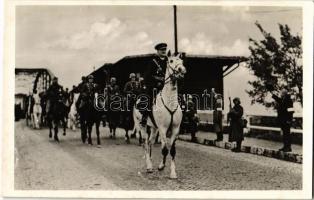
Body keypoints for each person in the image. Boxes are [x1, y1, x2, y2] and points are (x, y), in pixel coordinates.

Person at [140, 42, 168, 126]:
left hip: (166, 85)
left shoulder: (169, 61)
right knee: (149, 99)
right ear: (157, 51)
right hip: (154, 86)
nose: (163, 51)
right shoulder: (153, 62)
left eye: (164, 49)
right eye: (161, 50)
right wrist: (157, 79)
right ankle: (144, 117)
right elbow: (147, 75)